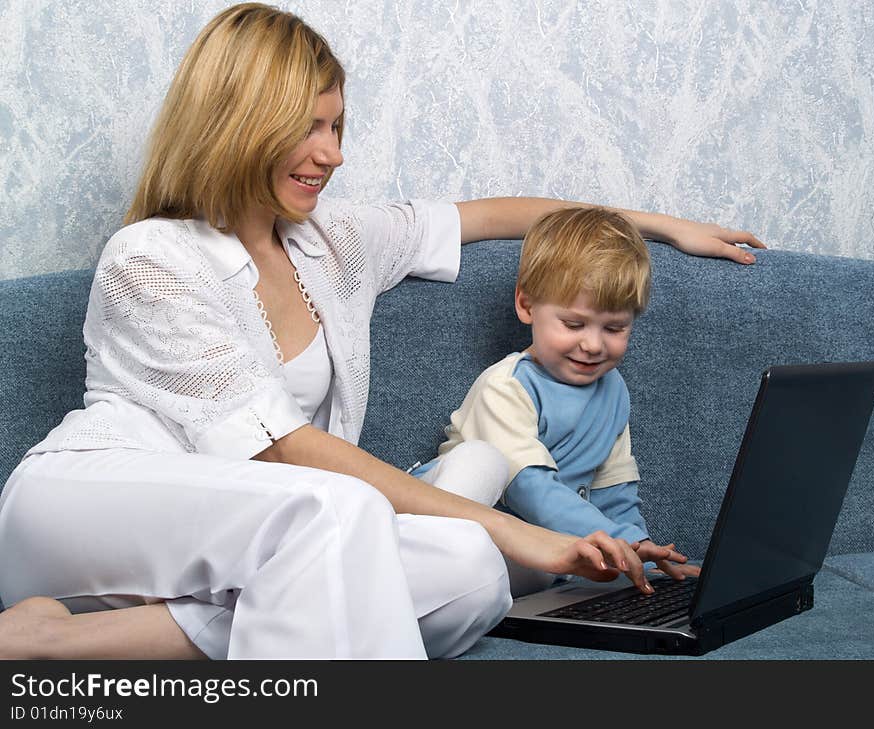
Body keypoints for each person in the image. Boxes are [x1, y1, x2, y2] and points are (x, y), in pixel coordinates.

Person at [0, 3, 763, 660]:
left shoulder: (332, 244)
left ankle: (60, 645)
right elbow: (286, 452)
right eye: (308, 127)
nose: (333, 153)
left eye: (337, 126)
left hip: (260, 540)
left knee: (468, 570)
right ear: (237, 123)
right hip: (93, 506)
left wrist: (665, 226)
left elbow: (491, 215)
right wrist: (530, 538)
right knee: (343, 509)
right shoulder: (150, 257)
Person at [410, 207, 702, 594]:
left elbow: (614, 492)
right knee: (479, 463)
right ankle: (407, 563)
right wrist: (612, 538)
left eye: (615, 328)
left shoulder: (614, 392)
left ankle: (456, 589)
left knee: (559, 572)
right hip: (450, 514)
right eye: (574, 324)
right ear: (527, 305)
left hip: (522, 547)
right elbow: (530, 489)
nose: (593, 345)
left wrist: (637, 551)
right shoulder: (506, 386)